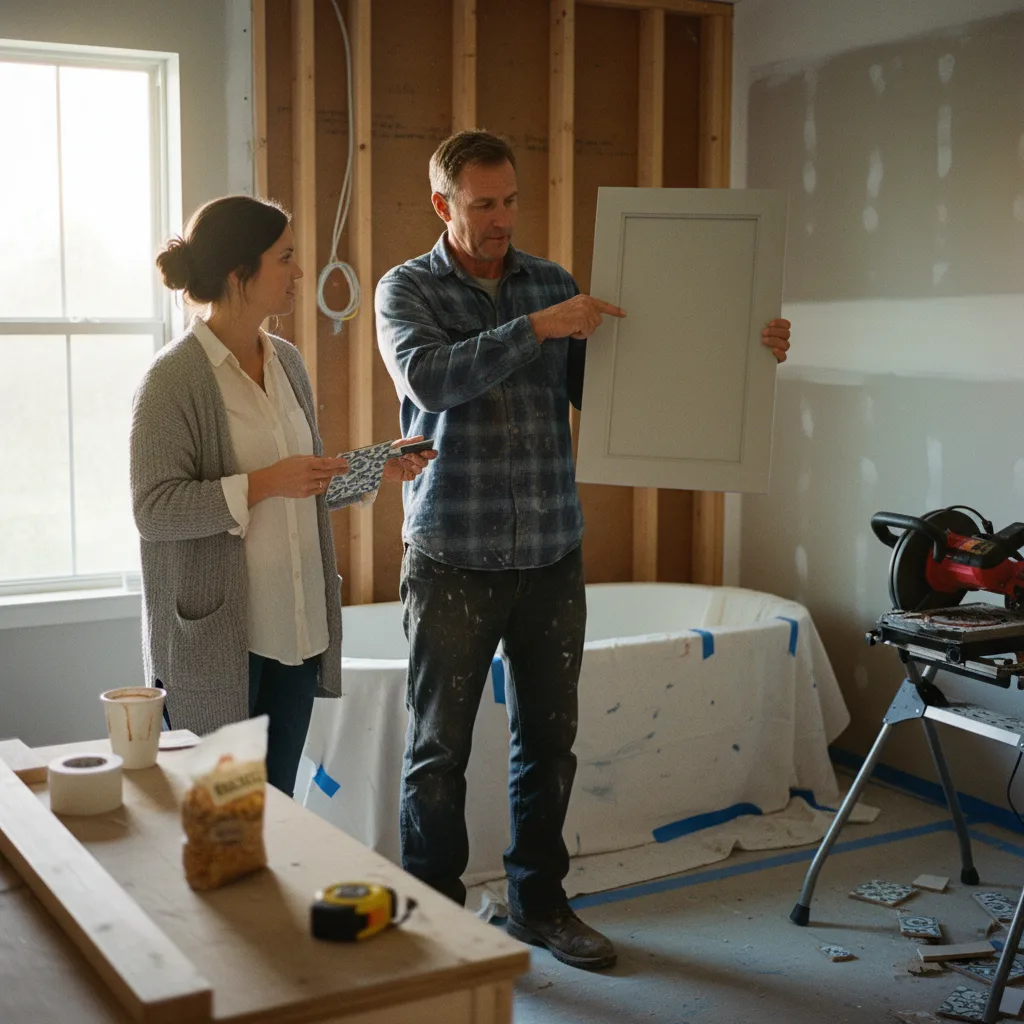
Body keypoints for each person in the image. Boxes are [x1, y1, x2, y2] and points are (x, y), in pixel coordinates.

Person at [375, 131, 791, 970]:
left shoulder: (552, 283)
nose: (502, 219)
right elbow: (428, 381)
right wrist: (535, 329)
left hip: (553, 555)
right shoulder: (406, 288)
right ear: (442, 205)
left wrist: (743, 356)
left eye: (511, 200)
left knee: (549, 741)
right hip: (453, 555)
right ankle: (434, 922)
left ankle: (541, 905)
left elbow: (614, 393)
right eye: (483, 204)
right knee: (436, 754)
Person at [131, 195, 434, 797]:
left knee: (276, 812)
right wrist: (266, 483)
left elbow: (305, 483)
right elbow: (155, 511)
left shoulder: (287, 362)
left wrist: (380, 466)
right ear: (240, 273)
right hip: (222, 644)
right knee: (224, 822)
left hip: (295, 630)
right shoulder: (173, 380)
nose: (300, 272)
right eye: (286, 258)